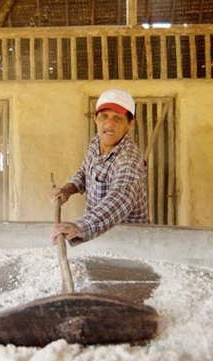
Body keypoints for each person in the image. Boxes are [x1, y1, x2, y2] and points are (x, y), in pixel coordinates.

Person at [50, 88, 149, 245]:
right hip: (99, 235)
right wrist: (67, 190)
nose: (109, 123)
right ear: (96, 118)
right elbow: (84, 171)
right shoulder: (96, 142)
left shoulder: (129, 159)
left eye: (117, 118)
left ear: (130, 124)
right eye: (104, 116)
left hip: (128, 241)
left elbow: (121, 197)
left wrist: (81, 226)